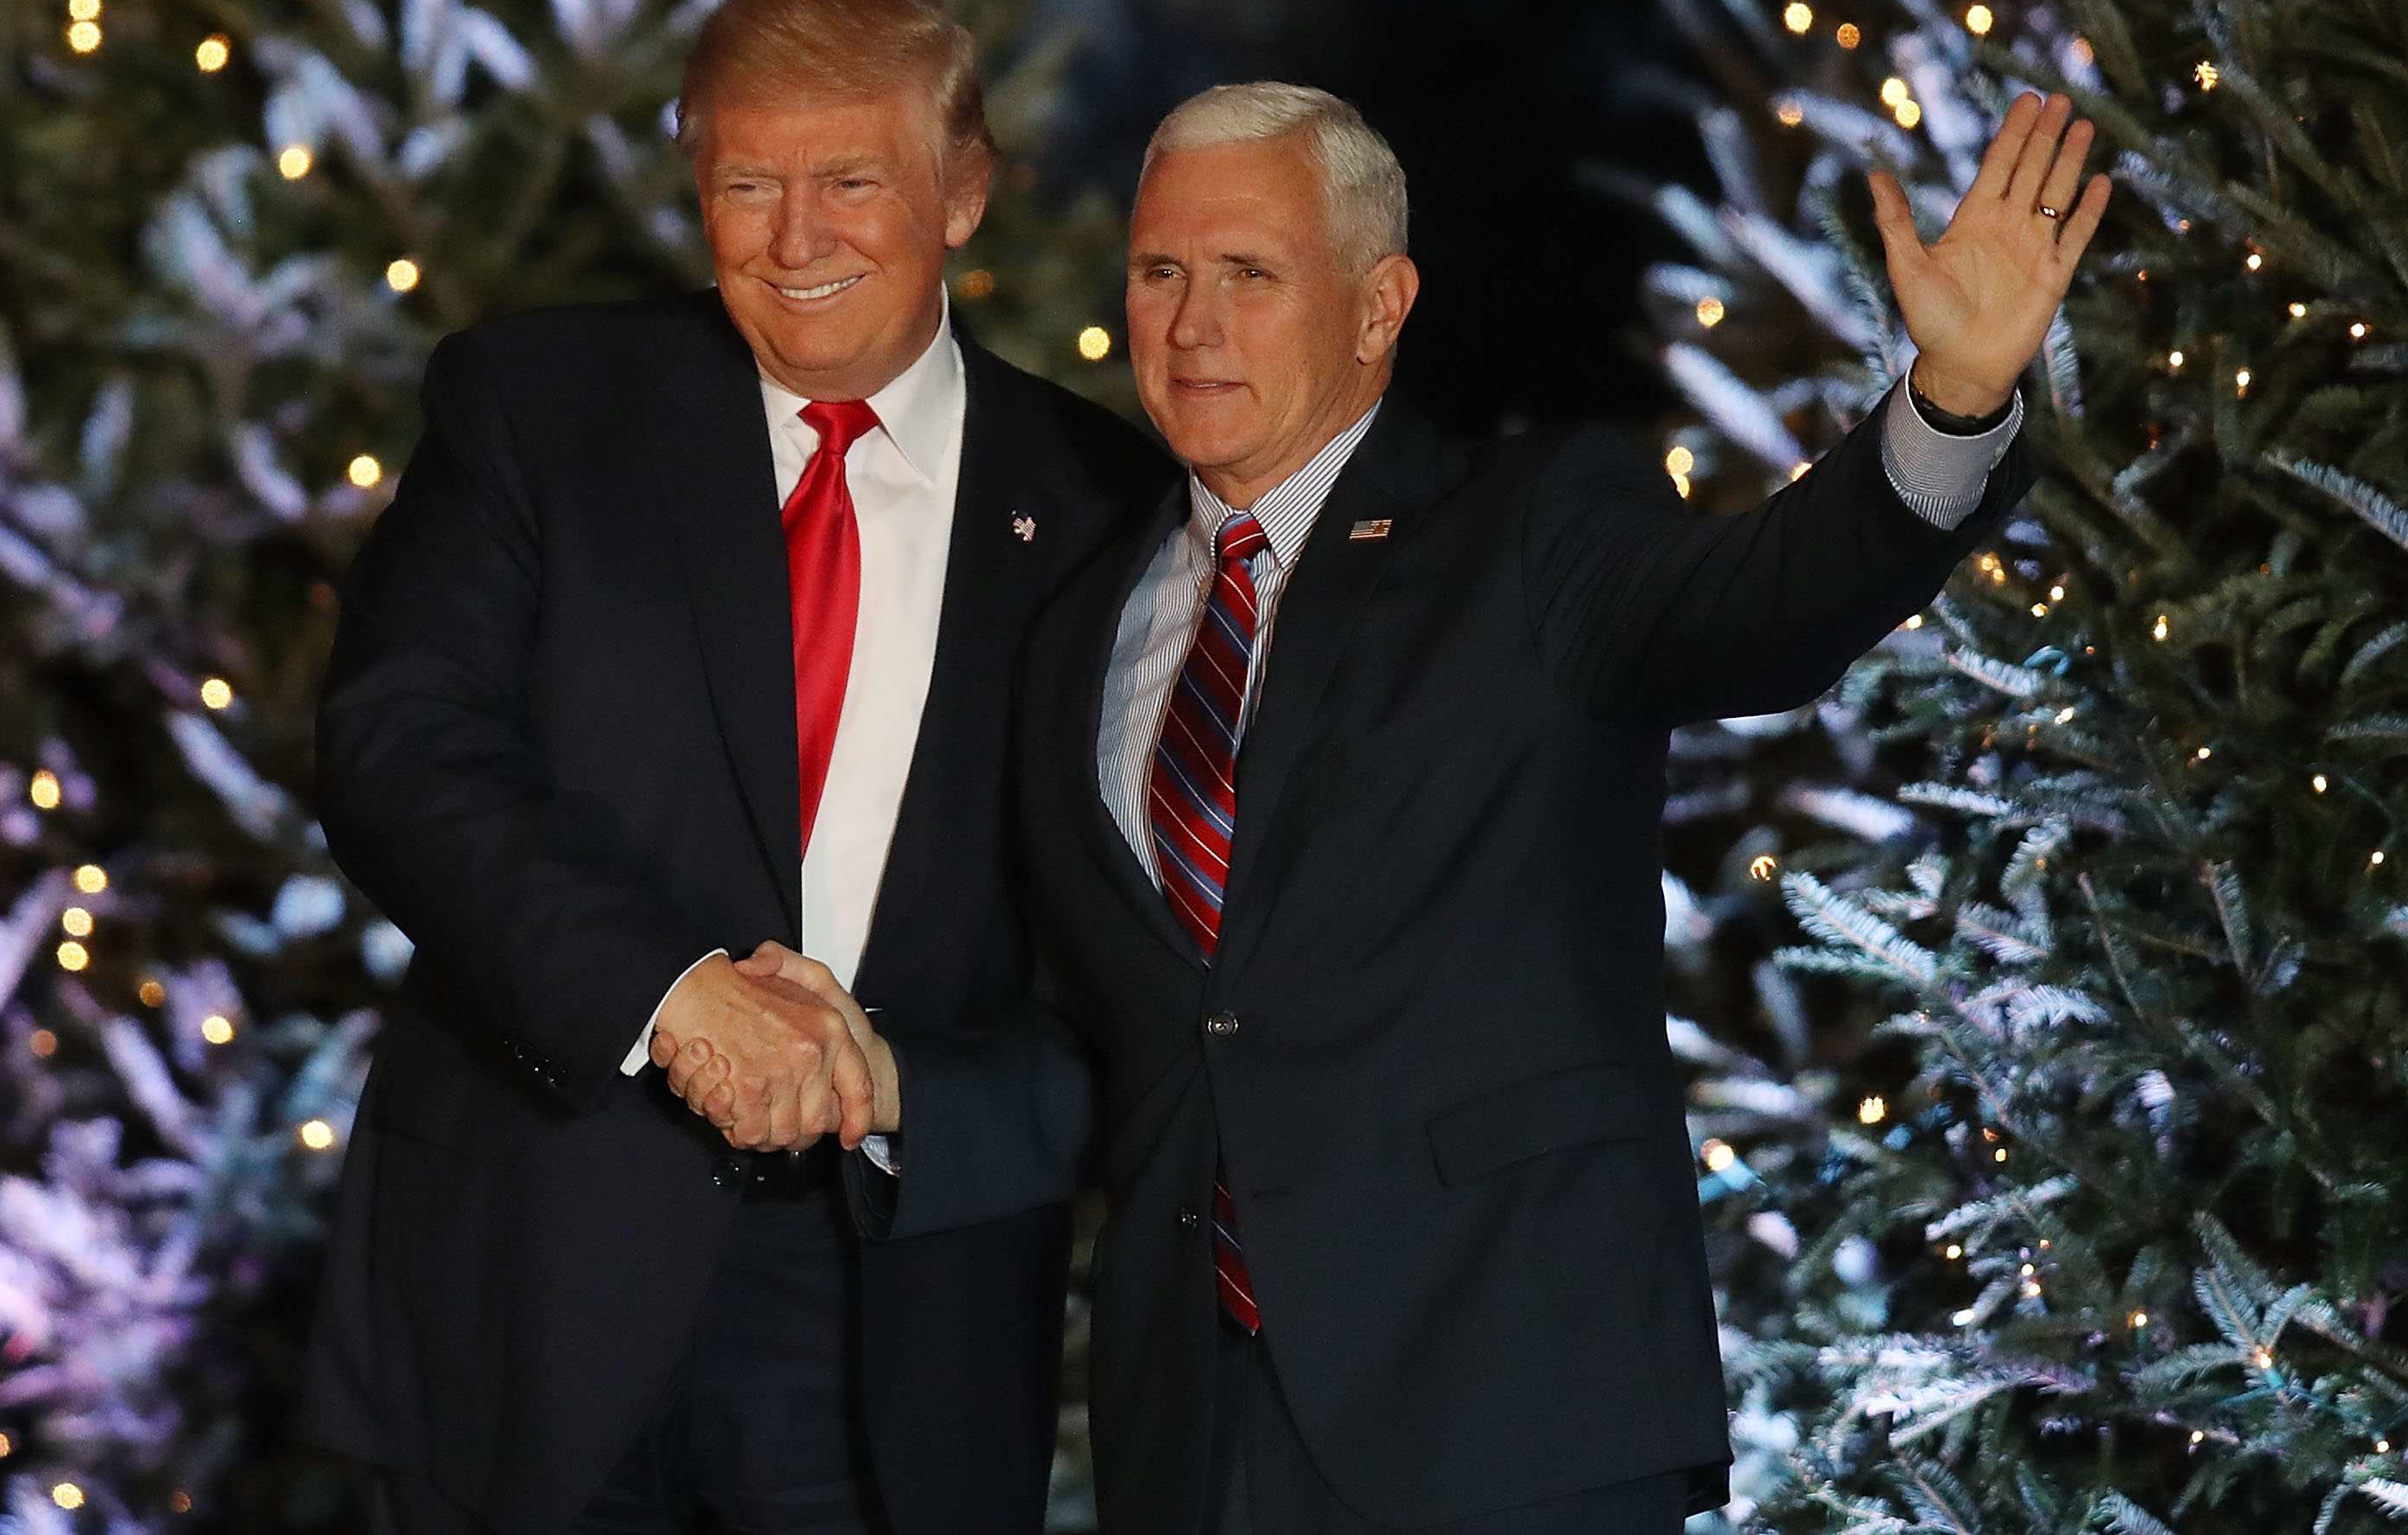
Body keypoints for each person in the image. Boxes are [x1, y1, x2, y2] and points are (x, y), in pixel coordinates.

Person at [714, 79, 2109, 1532]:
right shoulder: (1080, 627)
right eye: (1161, 273)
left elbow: (1758, 613)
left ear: (1379, 306)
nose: (1192, 324)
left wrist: (1949, 403)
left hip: (1509, 1409)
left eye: (1250, 274)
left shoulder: (1529, 526)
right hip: (1198, 1436)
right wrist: (893, 1091)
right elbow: (1137, 1049)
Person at [297, 0, 1166, 1535]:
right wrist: (668, 990)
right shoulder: (539, 408)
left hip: (893, 1317)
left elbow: (1134, 976)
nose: (795, 238)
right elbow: (395, 743)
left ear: (961, 192)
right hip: (535, 1277)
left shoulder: (1112, 511)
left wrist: (897, 1087)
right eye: (747, 183)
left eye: (852, 181)